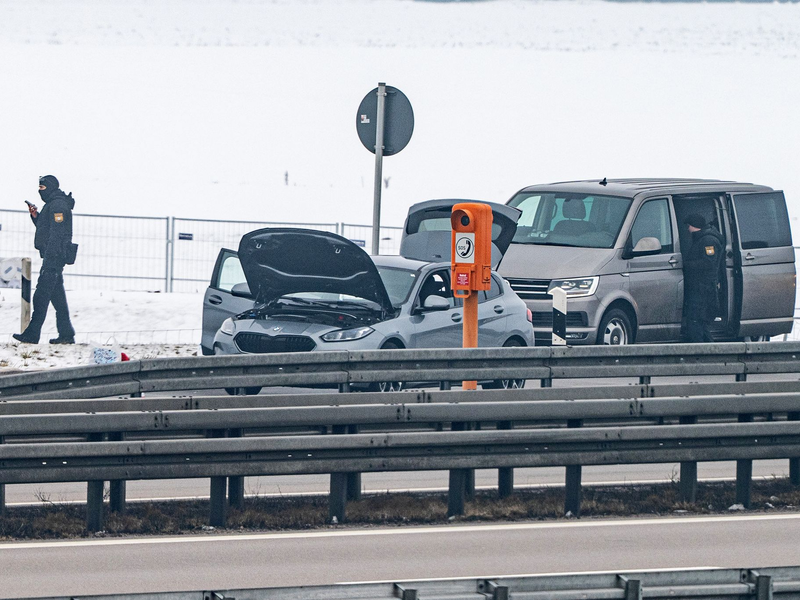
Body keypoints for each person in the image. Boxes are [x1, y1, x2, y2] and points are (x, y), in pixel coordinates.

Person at [12, 175, 76, 344]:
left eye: (43, 188)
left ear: (51, 187)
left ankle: (32, 334)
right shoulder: (53, 204)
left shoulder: (58, 205)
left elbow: (57, 233)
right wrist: (36, 216)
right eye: (39, 188)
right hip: (52, 257)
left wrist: (51, 257)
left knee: (40, 296)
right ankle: (66, 334)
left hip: (53, 258)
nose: (40, 191)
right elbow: (47, 228)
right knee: (58, 299)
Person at [682, 213, 724, 343]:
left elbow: (708, 263)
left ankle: (700, 352)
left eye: (689, 226)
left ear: (695, 226)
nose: (688, 229)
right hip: (699, 286)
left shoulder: (708, 241)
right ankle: (709, 351)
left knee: (696, 320)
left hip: (703, 288)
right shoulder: (702, 239)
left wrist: (686, 265)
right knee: (699, 322)